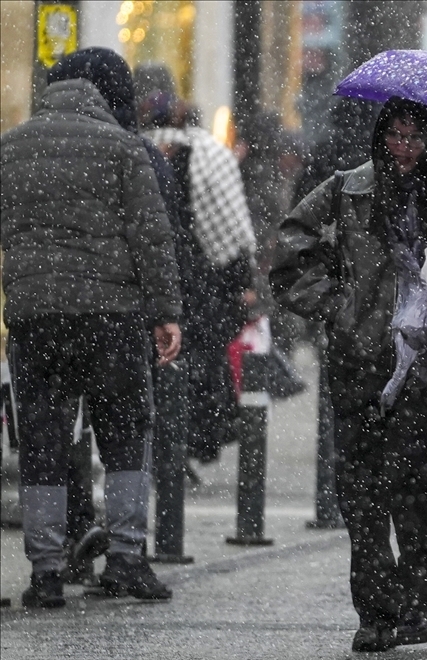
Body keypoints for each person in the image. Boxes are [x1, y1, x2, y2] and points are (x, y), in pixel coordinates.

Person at [271, 97, 427, 652]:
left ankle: (418, 597)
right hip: (358, 364)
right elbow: (290, 252)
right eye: (396, 135)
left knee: (421, 488)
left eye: (416, 137)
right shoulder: (345, 189)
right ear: (381, 136)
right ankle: (375, 609)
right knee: (362, 492)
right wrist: (337, 305)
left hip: (423, 368)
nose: (403, 148)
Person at [1, 49, 182, 607]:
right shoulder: (125, 148)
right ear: (104, 97)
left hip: (36, 318)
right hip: (112, 316)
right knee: (126, 434)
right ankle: (126, 558)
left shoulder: (9, 148)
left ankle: (47, 573)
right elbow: (151, 237)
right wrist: (166, 313)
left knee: (42, 441)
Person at [144, 90, 258, 464]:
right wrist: (241, 282)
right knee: (202, 360)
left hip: (169, 276)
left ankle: (174, 443)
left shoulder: (142, 154)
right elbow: (232, 226)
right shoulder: (211, 154)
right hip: (205, 279)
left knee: (171, 363)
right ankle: (197, 439)